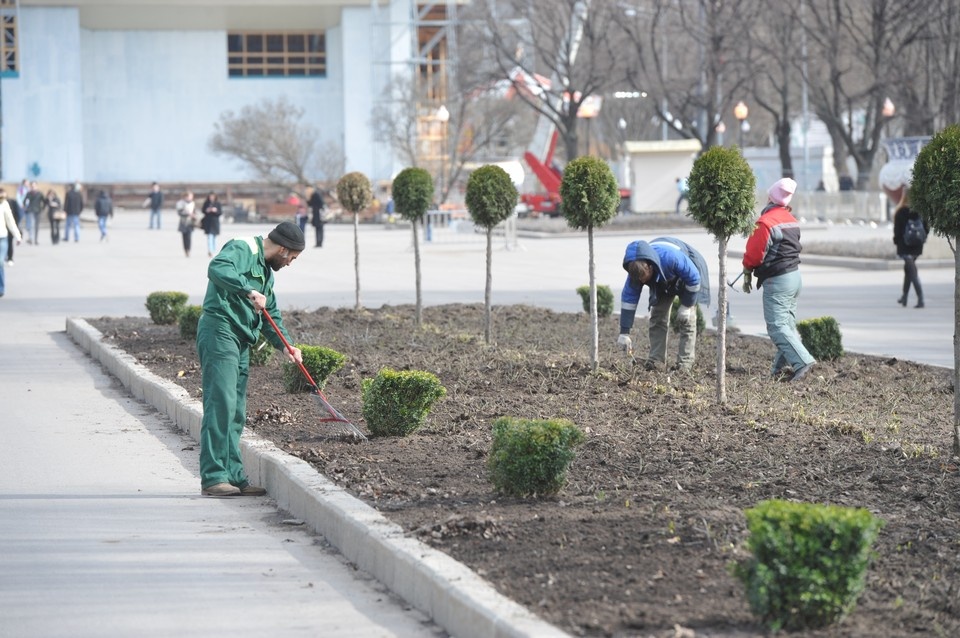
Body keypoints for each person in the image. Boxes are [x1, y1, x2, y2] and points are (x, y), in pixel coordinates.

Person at [196, 221, 306, 496]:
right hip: (220, 330)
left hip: (241, 338)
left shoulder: (267, 273)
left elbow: (272, 315)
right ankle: (213, 477)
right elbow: (217, 268)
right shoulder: (243, 248)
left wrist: (287, 346)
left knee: (235, 411)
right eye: (292, 257)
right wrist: (247, 290)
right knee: (220, 403)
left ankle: (234, 476)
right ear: (283, 249)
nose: (291, 263)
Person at [741, 177, 816, 382]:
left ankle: (803, 362)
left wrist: (747, 268)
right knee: (787, 327)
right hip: (794, 277)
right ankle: (778, 371)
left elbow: (755, 254)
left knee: (777, 327)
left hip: (778, 280)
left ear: (770, 198)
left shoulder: (765, 222)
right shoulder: (790, 220)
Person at [618, 237, 709, 372]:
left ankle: (685, 364)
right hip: (660, 282)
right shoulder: (635, 273)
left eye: (644, 277)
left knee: (687, 320)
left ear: (649, 267)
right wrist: (624, 332)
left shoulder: (672, 258)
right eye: (640, 280)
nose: (642, 281)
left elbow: (694, 278)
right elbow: (629, 299)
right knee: (657, 317)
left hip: (685, 277)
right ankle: (656, 361)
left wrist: (686, 306)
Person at [892, 188, 928, 309]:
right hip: (917, 246)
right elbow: (926, 228)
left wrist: (897, 242)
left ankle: (921, 298)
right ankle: (904, 297)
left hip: (905, 246)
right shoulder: (921, 211)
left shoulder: (900, 211)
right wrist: (922, 239)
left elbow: (897, 231)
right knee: (908, 269)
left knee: (912, 272)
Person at [0, 188, 23, 297]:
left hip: (2, 238)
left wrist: (18, 236)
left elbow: (10, 221)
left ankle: (1, 288)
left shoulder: (4, 204)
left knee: (0, 262)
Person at [200, 191, 223, 257]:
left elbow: (220, 212)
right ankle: (210, 250)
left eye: (213, 196)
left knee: (214, 238)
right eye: (210, 196)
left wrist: (215, 210)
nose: (211, 197)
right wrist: (207, 210)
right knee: (209, 237)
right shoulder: (206, 203)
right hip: (208, 222)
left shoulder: (218, 203)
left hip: (215, 222)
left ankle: (213, 250)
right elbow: (203, 211)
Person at [176, 191, 196, 257]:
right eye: (190, 196)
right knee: (184, 237)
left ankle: (189, 250)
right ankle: (185, 250)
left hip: (190, 222)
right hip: (183, 222)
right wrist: (187, 213)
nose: (191, 197)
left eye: (191, 196)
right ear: (186, 196)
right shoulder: (180, 203)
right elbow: (179, 213)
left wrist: (194, 215)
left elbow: (194, 212)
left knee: (189, 237)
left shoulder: (193, 203)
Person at [6, 197, 21, 265]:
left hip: (9, 229)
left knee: (9, 243)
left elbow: (13, 221)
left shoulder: (10, 203)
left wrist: (18, 236)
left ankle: (10, 257)